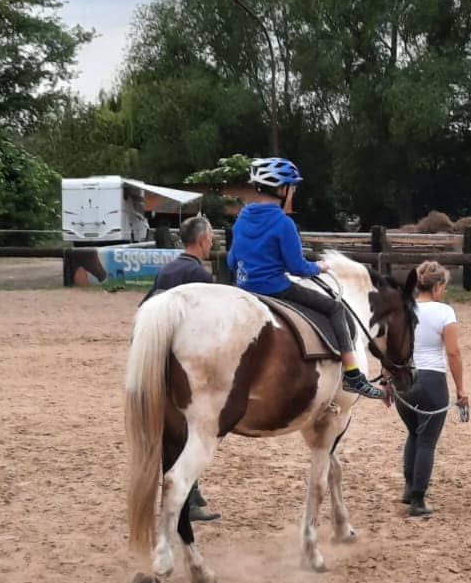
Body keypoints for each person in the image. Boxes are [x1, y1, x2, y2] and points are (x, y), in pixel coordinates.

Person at [226, 158, 386, 400]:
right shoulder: (283, 223)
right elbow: (298, 267)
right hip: (274, 288)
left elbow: (231, 261)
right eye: (293, 188)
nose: (293, 193)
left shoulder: (243, 217)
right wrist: (319, 266)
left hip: (243, 288)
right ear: (282, 190)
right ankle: (352, 374)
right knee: (334, 308)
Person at [146, 215, 220, 523]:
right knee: (191, 432)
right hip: (186, 365)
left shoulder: (168, 269)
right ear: (202, 241)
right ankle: (187, 499)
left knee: (175, 431)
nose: (212, 241)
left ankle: (193, 495)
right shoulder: (199, 276)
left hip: (160, 360)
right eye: (211, 236)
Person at [397, 259, 469, 519]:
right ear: (437, 286)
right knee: (427, 440)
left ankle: (408, 487)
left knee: (414, 433)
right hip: (432, 382)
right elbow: (453, 353)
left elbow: (391, 348)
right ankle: (418, 499)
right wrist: (461, 389)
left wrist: (385, 380)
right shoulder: (444, 313)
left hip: (403, 382)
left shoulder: (404, 309)